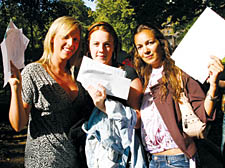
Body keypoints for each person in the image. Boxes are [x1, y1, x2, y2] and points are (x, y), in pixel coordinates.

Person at [132, 24, 224, 168]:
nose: (146, 50)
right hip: (151, 160)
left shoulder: (179, 72)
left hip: (177, 160)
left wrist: (213, 86)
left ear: (161, 43)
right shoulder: (142, 79)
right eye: (140, 46)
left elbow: (203, 114)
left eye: (150, 43)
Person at [8, 16, 94, 168]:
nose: (71, 44)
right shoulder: (33, 72)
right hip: (43, 162)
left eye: (75, 39)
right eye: (66, 37)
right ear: (53, 38)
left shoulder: (78, 74)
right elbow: (18, 125)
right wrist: (15, 89)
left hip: (76, 161)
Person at [81, 21, 146, 167]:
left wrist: (105, 106)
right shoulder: (81, 75)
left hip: (123, 155)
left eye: (107, 44)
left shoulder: (127, 74)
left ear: (114, 46)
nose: (101, 50)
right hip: (91, 154)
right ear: (88, 47)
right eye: (96, 44)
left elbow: (138, 122)